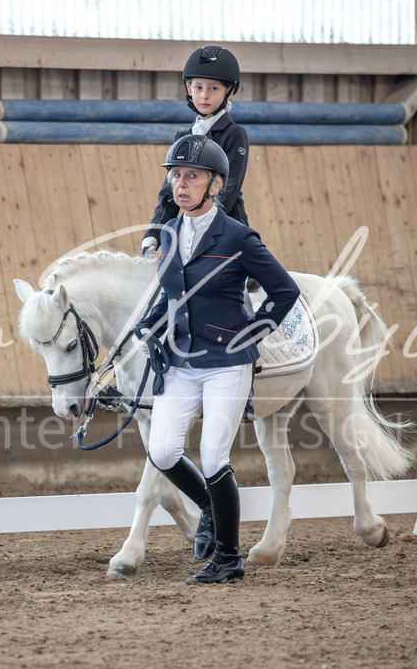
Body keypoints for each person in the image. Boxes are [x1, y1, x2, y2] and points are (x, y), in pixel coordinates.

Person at [135, 134, 300, 584]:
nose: (181, 184)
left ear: (215, 185)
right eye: (176, 176)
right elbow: (171, 295)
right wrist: (148, 324)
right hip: (180, 361)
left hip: (227, 363)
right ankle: (211, 506)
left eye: (192, 176)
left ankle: (229, 558)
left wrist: (255, 330)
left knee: (213, 458)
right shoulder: (170, 234)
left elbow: (284, 290)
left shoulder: (238, 236)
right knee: (162, 451)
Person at [140, 45, 249, 256]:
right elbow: (171, 192)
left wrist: (196, 227)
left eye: (213, 89)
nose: (204, 96)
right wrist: (154, 233)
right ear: (189, 89)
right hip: (190, 228)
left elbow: (227, 192)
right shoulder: (183, 138)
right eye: (198, 87)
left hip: (226, 230)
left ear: (230, 91)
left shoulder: (234, 135)